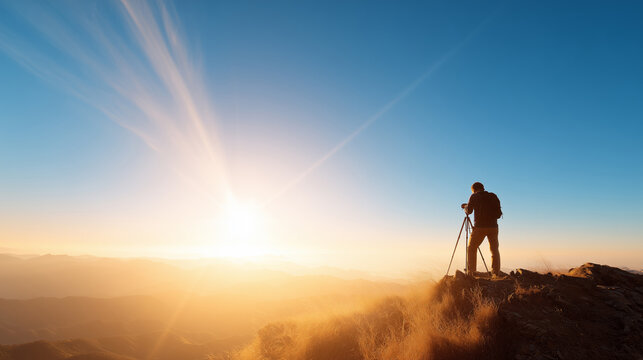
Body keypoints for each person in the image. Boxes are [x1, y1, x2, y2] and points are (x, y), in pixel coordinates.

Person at [462, 182, 502, 277]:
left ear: (474, 189)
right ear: (483, 188)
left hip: (480, 227)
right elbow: (499, 214)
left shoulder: (474, 196)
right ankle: (495, 272)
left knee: (471, 248)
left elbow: (469, 211)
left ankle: (471, 272)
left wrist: (465, 207)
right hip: (493, 227)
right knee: (494, 249)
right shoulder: (493, 196)